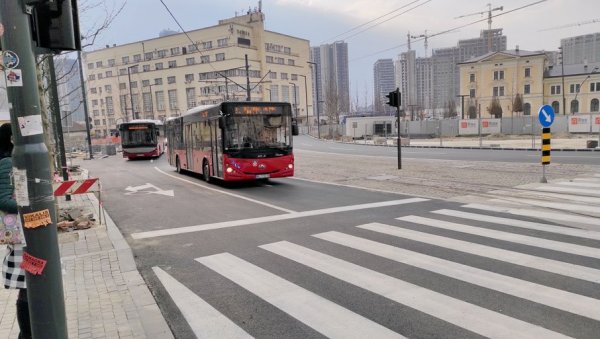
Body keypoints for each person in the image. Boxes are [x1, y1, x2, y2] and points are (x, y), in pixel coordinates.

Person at [0, 123, 31, 338]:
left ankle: (28, 333)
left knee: (30, 285)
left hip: (25, 231)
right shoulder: (5, 162)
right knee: (27, 286)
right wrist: (29, 203)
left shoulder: (12, 161)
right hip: (20, 233)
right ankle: (27, 334)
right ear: (12, 139)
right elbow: (3, 200)